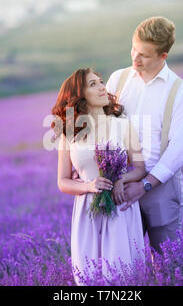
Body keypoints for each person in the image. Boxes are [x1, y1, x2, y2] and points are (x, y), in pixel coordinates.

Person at [105, 16, 183, 254]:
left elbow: (179, 150)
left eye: (144, 54)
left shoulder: (180, 91)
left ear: (162, 56)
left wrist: (145, 184)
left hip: (160, 189)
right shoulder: (118, 79)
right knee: (122, 263)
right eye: (133, 49)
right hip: (120, 186)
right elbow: (102, 127)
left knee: (167, 265)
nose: (135, 58)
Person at [52, 68, 146, 285]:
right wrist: (89, 185)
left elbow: (140, 168)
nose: (102, 87)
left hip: (120, 206)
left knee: (123, 276)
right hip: (87, 211)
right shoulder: (69, 133)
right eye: (93, 84)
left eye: (101, 82)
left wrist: (121, 180)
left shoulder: (123, 124)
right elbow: (63, 182)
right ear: (79, 94)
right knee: (89, 277)